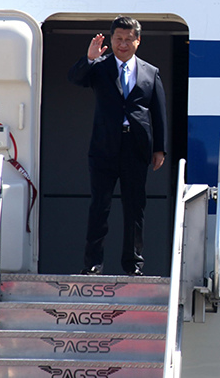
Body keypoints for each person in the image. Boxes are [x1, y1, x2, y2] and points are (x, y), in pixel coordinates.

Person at [68, 15, 166, 276]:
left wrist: (159, 148)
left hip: (136, 147)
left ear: (138, 41)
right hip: (104, 147)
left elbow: (158, 113)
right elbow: (75, 79)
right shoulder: (99, 66)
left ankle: (133, 264)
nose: (123, 44)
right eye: (118, 39)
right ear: (111, 40)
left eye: (128, 39)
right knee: (100, 206)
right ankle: (93, 263)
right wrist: (89, 59)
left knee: (135, 207)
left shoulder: (150, 72)